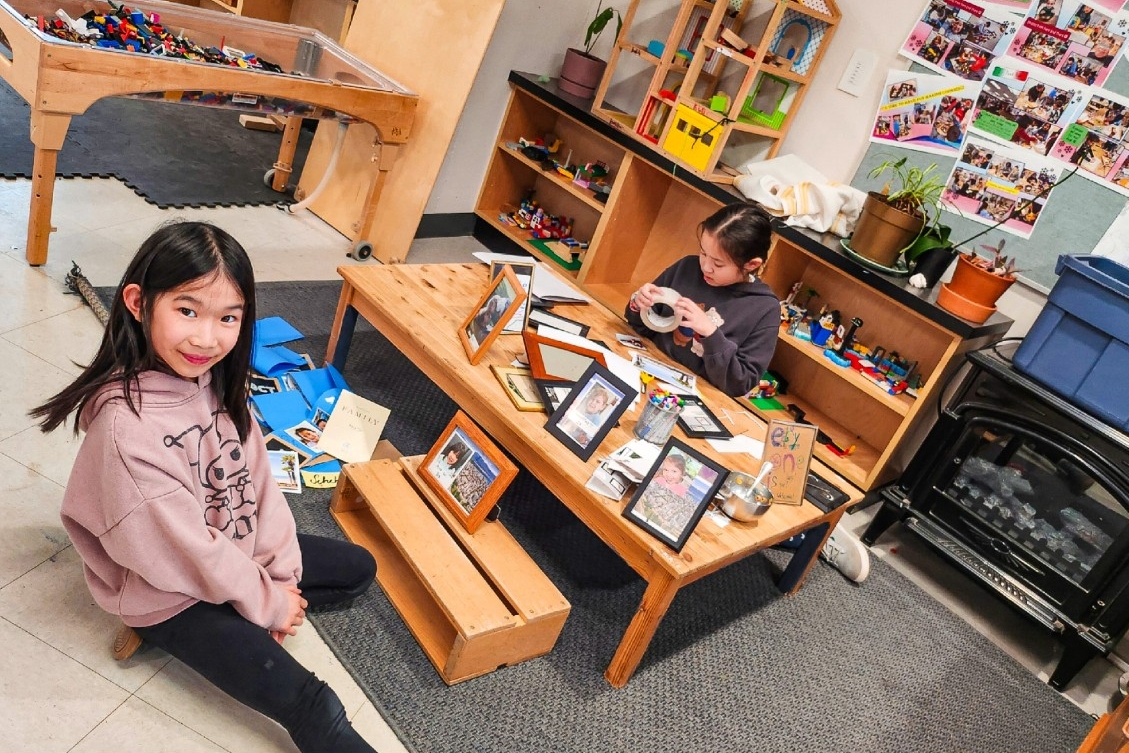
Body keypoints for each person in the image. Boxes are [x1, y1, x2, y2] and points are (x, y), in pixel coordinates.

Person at [29, 221, 380, 753]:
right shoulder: (127, 431)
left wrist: (276, 579)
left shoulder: (214, 378)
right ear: (138, 302)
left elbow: (261, 486)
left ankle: (240, 610)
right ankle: (191, 625)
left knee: (359, 569)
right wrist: (266, 601)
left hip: (224, 548)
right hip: (166, 589)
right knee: (314, 708)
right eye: (187, 310)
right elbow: (186, 551)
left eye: (228, 318)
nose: (206, 337)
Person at [625, 202, 780, 397]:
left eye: (718, 263)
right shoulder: (687, 267)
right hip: (646, 369)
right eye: (703, 253)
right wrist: (638, 304)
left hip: (698, 396)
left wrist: (710, 333)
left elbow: (740, 383)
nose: (706, 267)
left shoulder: (764, 308)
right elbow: (640, 326)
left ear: (751, 264)